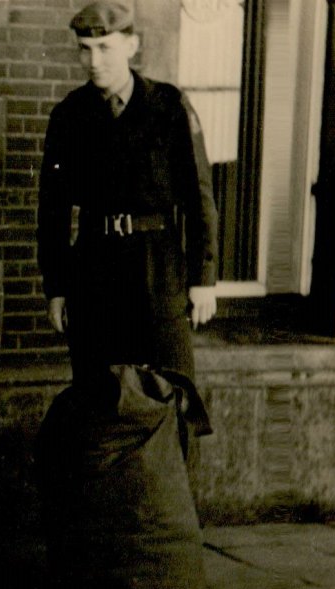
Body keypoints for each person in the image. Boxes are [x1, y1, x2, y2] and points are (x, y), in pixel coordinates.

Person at [36, 0, 218, 402]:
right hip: (94, 273)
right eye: (84, 49)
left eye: (105, 48)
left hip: (157, 270)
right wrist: (57, 287)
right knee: (98, 398)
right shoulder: (69, 116)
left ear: (131, 46)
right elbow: (52, 212)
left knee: (169, 396)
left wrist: (203, 277)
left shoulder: (168, 106)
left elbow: (199, 197)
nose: (93, 61)